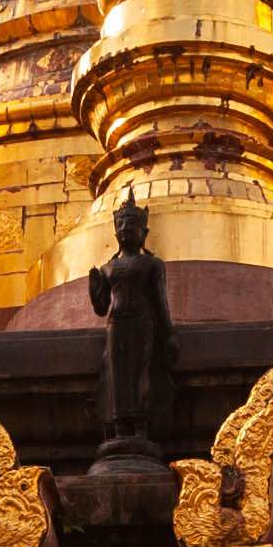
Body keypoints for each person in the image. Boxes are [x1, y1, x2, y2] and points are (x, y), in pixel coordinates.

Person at [84, 195, 174, 467]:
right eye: (121, 226)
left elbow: (160, 301)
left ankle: (141, 425)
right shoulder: (108, 268)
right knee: (117, 375)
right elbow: (101, 308)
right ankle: (121, 425)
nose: (125, 230)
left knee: (141, 372)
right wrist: (95, 288)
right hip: (117, 322)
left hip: (143, 322)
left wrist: (169, 333)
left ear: (144, 232)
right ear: (115, 231)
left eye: (131, 226)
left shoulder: (151, 264)